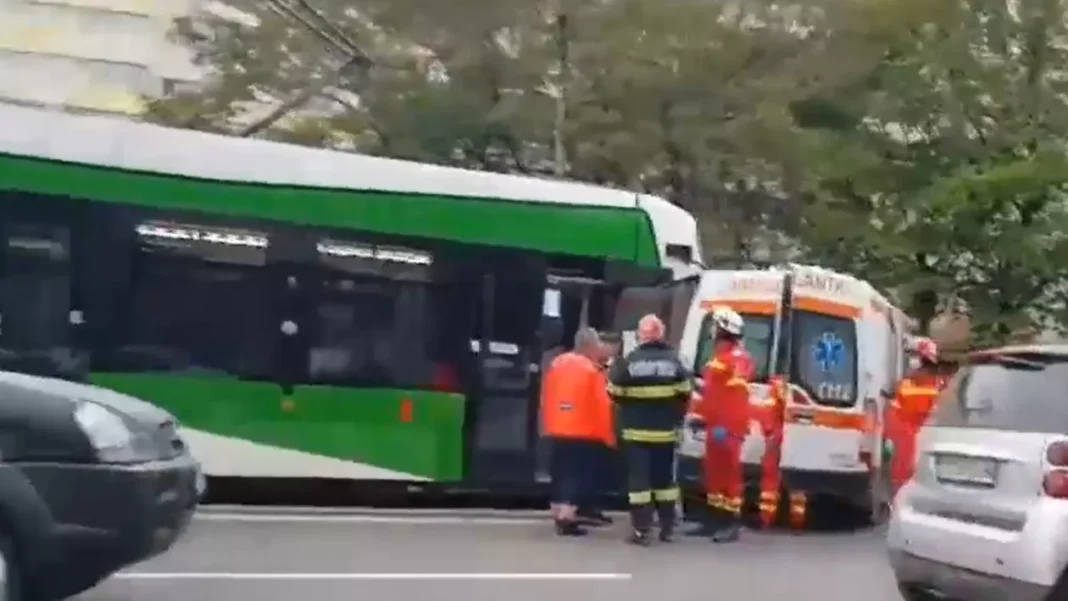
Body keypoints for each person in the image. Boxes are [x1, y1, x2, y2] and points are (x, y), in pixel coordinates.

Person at [607, 315, 690, 546]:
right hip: (666, 433)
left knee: (639, 483)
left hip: (636, 433)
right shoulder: (676, 362)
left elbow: (613, 391)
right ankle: (667, 528)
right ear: (661, 335)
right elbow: (685, 391)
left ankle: (642, 530)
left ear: (641, 336)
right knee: (665, 482)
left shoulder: (629, 361)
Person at [687, 306, 753, 543]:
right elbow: (715, 392)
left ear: (725, 328)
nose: (713, 330)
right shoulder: (719, 357)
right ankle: (713, 518)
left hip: (728, 427)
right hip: (716, 424)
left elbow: (734, 396)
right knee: (713, 475)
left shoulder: (737, 358)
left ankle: (731, 522)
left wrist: (725, 425)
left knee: (730, 475)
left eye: (716, 325)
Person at [541, 327, 616, 536]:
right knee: (578, 475)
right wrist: (609, 436)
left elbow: (546, 396)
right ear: (590, 346)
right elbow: (602, 406)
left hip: (556, 427)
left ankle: (558, 512)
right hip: (583, 430)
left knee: (560, 472)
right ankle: (567, 518)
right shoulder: (592, 370)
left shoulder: (557, 364)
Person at [886, 336, 944, 495]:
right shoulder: (917, 383)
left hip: (912, 447)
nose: (910, 360)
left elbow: (907, 413)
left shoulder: (924, 385)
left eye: (912, 355)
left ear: (922, 359)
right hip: (905, 447)